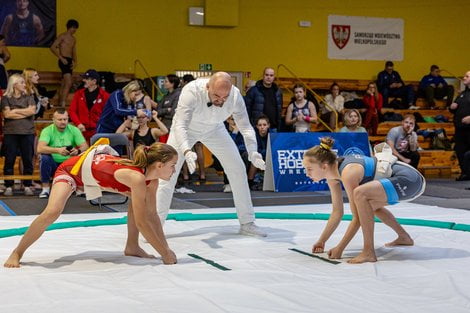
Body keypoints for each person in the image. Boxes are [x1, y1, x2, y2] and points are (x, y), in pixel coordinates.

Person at [4, 142, 178, 268]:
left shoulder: (151, 181)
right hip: (70, 172)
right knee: (52, 212)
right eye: (173, 165)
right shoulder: (137, 178)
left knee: (138, 201)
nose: (175, 170)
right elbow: (142, 222)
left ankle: (132, 246)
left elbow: (152, 216)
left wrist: (166, 250)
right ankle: (18, 252)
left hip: (91, 177)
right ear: (159, 165)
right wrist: (165, 254)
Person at [157, 72, 267, 237]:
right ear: (208, 87)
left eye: (225, 97)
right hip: (186, 129)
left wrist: (253, 151)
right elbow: (180, 124)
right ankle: (155, 225)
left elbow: (245, 127)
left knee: (237, 168)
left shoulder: (235, 96)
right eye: (216, 95)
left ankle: (247, 222)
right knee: (166, 175)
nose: (220, 100)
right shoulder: (191, 91)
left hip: (215, 129)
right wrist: (187, 150)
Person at [303, 137, 425, 263]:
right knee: (367, 206)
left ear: (324, 166)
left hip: (410, 180)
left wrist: (340, 248)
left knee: (360, 195)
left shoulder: (348, 173)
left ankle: (368, 252)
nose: (307, 174)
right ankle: (404, 237)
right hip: (407, 182)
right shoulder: (332, 177)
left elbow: (357, 218)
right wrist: (322, 241)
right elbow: (337, 212)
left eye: (309, 169)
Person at [37, 108, 88, 198]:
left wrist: (77, 151)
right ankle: (45, 189)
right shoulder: (47, 130)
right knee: (44, 157)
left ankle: (80, 188)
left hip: (69, 164)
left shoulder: (74, 130)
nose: (63, 122)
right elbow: (40, 148)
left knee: (82, 156)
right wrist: (58, 150)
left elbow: (85, 146)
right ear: (53, 120)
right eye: (60, 119)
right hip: (53, 164)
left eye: (65, 119)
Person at [0, 73, 36, 196]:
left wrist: (15, 110)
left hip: (27, 132)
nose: (24, 84)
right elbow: (7, 115)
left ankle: (27, 184)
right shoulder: (6, 98)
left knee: (27, 159)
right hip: (11, 133)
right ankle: (8, 185)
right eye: (21, 82)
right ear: (14, 84)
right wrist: (24, 112)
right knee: (9, 159)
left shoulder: (29, 96)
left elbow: (32, 111)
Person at [68, 69, 110, 142]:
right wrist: (78, 123)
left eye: (87, 79)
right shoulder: (79, 94)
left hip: (98, 131)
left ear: (94, 81)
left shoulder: (105, 96)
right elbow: (72, 111)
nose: (84, 80)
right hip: (81, 131)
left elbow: (108, 114)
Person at [50, 19, 79, 107]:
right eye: (74, 28)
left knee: (64, 82)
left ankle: (59, 102)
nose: (74, 30)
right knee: (69, 82)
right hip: (63, 60)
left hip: (69, 60)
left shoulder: (73, 39)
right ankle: (63, 102)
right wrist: (61, 58)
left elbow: (73, 51)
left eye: (76, 28)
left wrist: (75, 61)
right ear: (70, 27)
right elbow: (53, 47)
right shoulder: (62, 36)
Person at [245, 67, 283, 131]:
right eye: (266, 75)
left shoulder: (278, 92)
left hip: (273, 127)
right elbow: (247, 109)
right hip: (258, 127)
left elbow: (279, 110)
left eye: (271, 75)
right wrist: (251, 125)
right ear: (263, 76)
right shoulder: (253, 91)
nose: (269, 77)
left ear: (274, 77)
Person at [450, 71, 470, 181]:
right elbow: (453, 109)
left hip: (469, 129)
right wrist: (452, 107)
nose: (464, 77)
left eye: (467, 76)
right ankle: (465, 172)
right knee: (460, 151)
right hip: (459, 128)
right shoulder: (462, 94)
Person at [248, 115, 270, 191]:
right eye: (260, 125)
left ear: (268, 125)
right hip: (258, 156)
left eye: (264, 125)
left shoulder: (273, 134)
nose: (262, 127)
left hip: (269, 156)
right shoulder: (253, 135)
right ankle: (250, 182)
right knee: (255, 158)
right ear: (257, 126)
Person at [157, 74, 181, 143]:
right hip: (163, 127)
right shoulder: (166, 96)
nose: (164, 83)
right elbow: (157, 111)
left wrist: (163, 113)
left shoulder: (178, 94)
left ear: (172, 84)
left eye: (166, 81)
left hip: (172, 128)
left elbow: (173, 113)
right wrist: (167, 110)